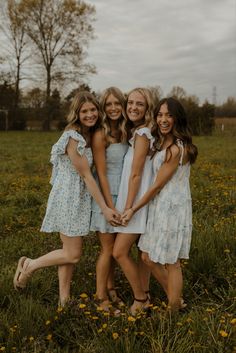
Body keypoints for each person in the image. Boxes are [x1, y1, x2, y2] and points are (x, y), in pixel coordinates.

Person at [13, 91, 119, 306]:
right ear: (76, 114)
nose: (90, 114)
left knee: (68, 250)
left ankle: (64, 300)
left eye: (92, 110)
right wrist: (105, 208)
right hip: (68, 197)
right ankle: (30, 265)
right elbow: (87, 176)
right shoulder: (74, 136)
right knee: (73, 254)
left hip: (79, 197)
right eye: (84, 111)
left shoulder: (90, 134)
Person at [121, 97, 198, 311]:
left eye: (169, 115)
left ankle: (173, 310)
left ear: (177, 118)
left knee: (171, 262)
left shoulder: (175, 149)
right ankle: (177, 300)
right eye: (160, 115)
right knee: (146, 256)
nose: (163, 119)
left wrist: (132, 209)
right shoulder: (162, 142)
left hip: (171, 209)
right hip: (159, 207)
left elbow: (156, 186)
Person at [112, 87, 155, 315]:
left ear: (147, 108)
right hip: (136, 201)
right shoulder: (138, 133)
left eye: (139, 104)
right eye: (130, 102)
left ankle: (140, 299)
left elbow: (136, 174)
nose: (133, 107)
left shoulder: (142, 134)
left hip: (135, 204)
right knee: (141, 253)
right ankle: (145, 293)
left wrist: (129, 208)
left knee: (119, 252)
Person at [90, 87, 128, 311]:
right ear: (104, 108)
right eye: (108, 104)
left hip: (123, 193)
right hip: (106, 196)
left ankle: (112, 288)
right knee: (107, 249)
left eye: (117, 103)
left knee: (116, 247)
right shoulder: (100, 134)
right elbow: (101, 173)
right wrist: (110, 206)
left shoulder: (125, 132)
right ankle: (100, 297)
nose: (113, 108)